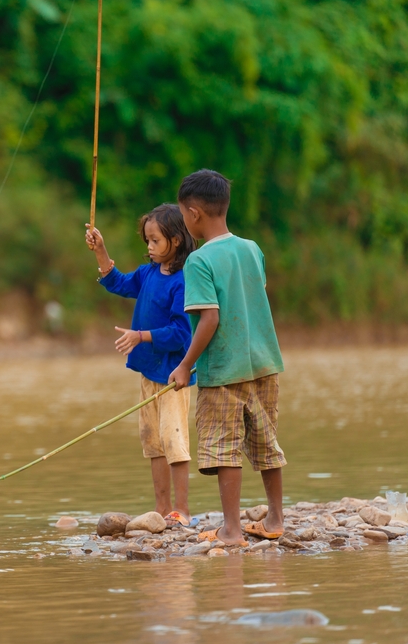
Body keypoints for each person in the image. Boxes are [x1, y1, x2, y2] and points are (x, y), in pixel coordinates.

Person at [168, 169, 286, 547]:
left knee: (223, 448)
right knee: (267, 443)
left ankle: (232, 530)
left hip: (223, 372)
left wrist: (185, 365)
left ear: (192, 213)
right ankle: (275, 519)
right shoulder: (252, 249)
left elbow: (210, 318)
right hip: (264, 363)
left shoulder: (199, 261)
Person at [86, 204, 197, 526]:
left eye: (155, 241)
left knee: (174, 441)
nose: (149, 247)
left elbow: (181, 333)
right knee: (152, 441)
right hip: (149, 372)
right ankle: (161, 510)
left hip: (174, 374)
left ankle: (182, 510)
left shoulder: (182, 281)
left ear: (175, 241)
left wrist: (141, 336)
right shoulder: (148, 274)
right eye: (147, 240)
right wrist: (101, 251)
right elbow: (117, 283)